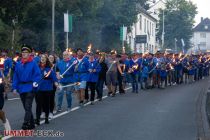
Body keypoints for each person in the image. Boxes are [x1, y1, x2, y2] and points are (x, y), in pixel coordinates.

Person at [12, 45, 41, 130]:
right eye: (23, 52)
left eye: (26, 52)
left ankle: (25, 123)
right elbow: (15, 77)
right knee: (26, 107)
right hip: (21, 88)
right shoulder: (19, 64)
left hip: (30, 87)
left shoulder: (33, 63)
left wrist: (35, 82)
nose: (24, 54)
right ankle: (32, 124)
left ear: (29, 54)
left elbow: (38, 75)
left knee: (28, 106)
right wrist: (14, 88)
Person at [35, 54, 58, 125]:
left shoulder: (49, 68)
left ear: (46, 59)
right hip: (39, 88)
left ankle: (46, 118)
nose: (42, 58)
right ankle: (37, 119)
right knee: (38, 104)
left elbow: (54, 77)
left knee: (46, 104)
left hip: (47, 88)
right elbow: (33, 76)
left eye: (44, 57)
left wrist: (56, 83)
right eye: (41, 57)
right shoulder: (37, 67)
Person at [48, 54, 57, 118]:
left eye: (52, 58)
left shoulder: (56, 66)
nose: (51, 59)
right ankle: (44, 110)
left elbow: (57, 74)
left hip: (53, 84)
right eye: (50, 58)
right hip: (45, 84)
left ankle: (52, 109)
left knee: (51, 96)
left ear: (54, 59)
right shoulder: (45, 65)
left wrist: (57, 79)